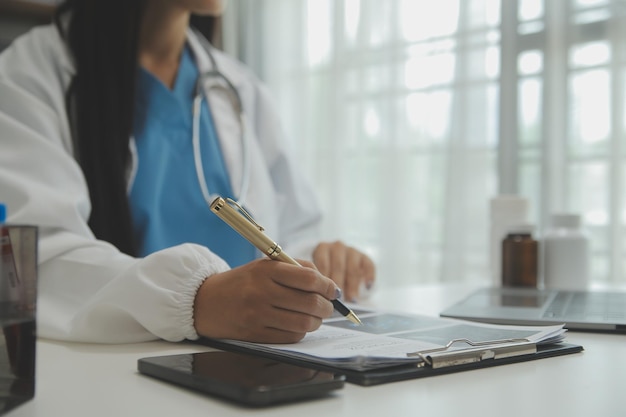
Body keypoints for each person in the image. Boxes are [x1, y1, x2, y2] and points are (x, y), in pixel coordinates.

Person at [0, 0, 375, 344]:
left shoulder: (240, 87)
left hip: (252, 362)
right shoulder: (28, 74)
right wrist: (195, 300)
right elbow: (30, 261)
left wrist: (317, 261)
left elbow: (292, 227)